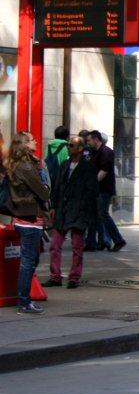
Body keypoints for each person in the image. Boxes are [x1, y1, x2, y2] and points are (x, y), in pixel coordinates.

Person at [45, 135, 98, 289]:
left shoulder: (88, 168)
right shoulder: (64, 165)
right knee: (55, 245)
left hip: (78, 212)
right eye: (69, 145)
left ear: (80, 149)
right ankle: (55, 276)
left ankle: (74, 277)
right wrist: (53, 206)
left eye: (71, 145)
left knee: (77, 246)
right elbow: (57, 187)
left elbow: (92, 191)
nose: (68, 148)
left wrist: (82, 207)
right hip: (62, 210)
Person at [6, 131, 50, 314]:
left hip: (24, 218)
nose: (36, 141)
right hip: (30, 220)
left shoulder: (19, 165)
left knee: (31, 260)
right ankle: (24, 302)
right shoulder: (26, 167)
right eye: (32, 140)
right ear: (24, 144)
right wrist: (45, 186)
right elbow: (43, 193)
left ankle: (24, 299)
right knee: (28, 261)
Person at [85, 130, 126, 252]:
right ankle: (93, 242)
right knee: (93, 215)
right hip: (95, 189)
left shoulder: (106, 152)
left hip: (103, 189)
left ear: (96, 139)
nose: (88, 142)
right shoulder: (93, 152)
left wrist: (91, 184)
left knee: (103, 214)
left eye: (89, 140)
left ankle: (118, 240)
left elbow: (104, 171)